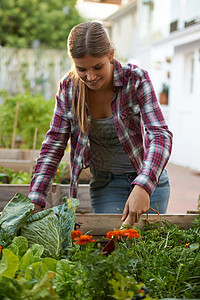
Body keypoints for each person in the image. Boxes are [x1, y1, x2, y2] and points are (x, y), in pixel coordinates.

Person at [29, 21, 173, 225]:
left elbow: (160, 135)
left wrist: (143, 185)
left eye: (98, 67)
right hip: (107, 184)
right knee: (112, 249)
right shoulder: (69, 89)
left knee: (146, 251)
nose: (91, 77)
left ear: (111, 55)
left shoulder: (136, 80)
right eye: (82, 69)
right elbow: (54, 144)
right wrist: (36, 198)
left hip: (149, 180)